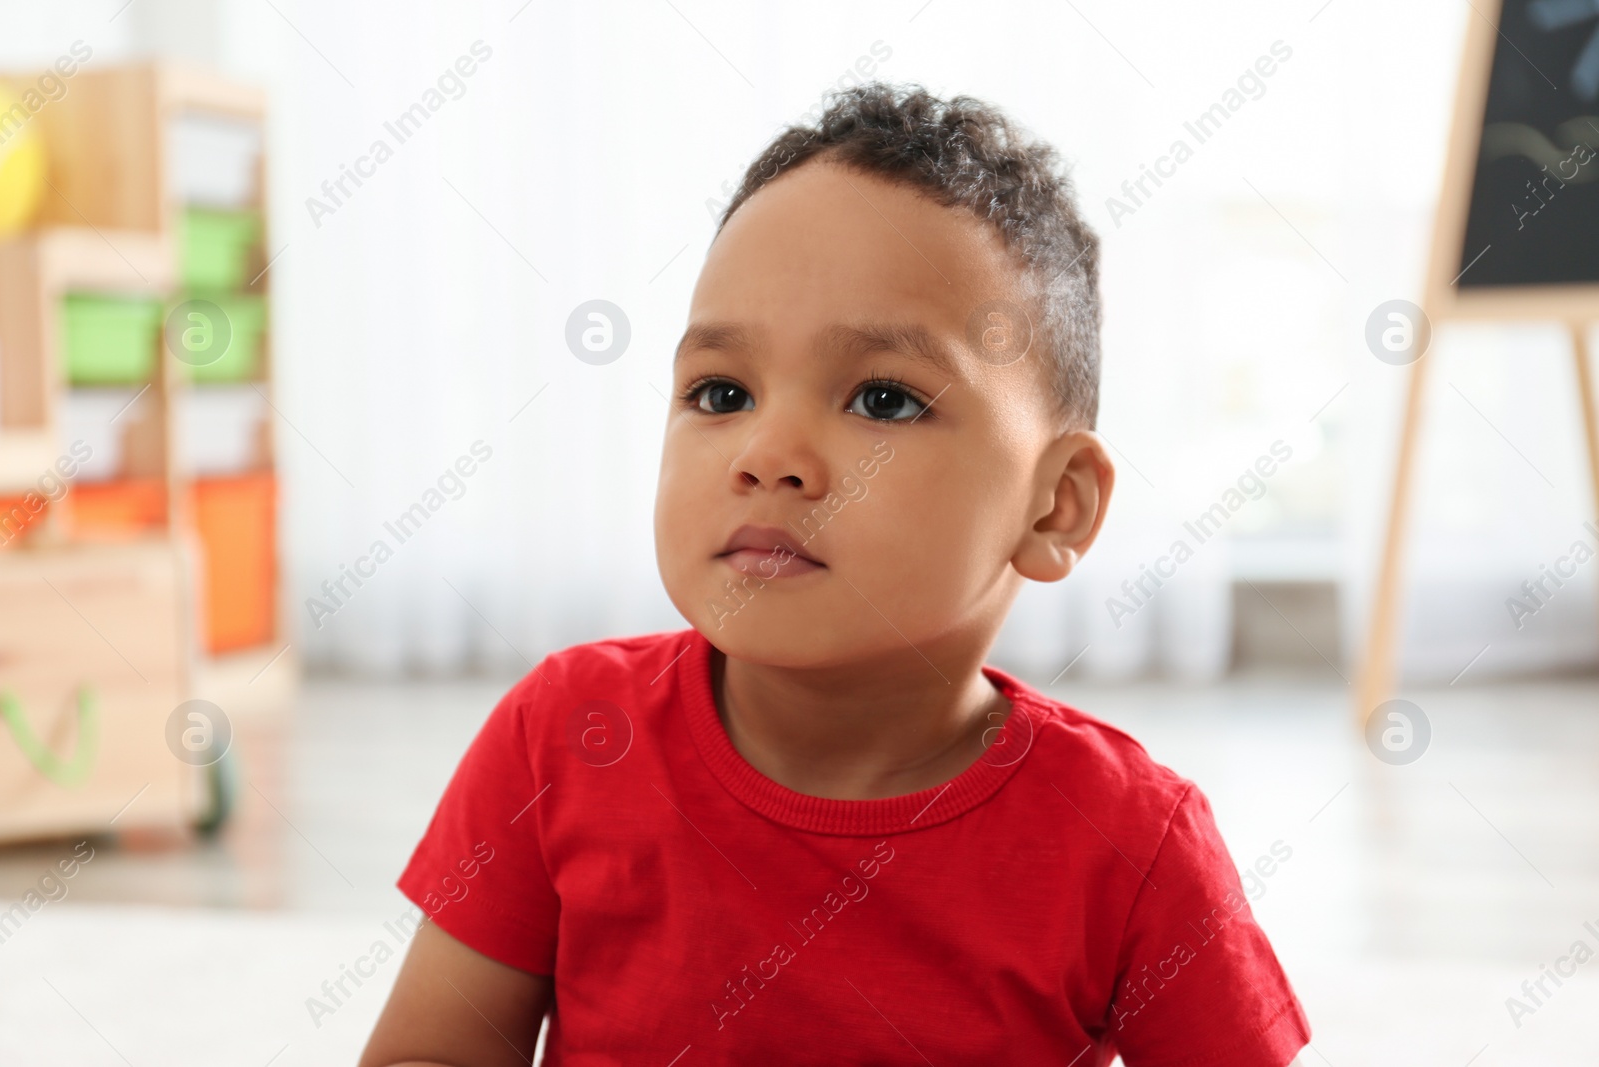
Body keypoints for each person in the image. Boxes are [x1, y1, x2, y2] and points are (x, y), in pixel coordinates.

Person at [360, 81, 1310, 1067]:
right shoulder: (561, 736)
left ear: (1053, 504)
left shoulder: (1132, 842)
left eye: (884, 400)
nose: (769, 453)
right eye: (721, 392)